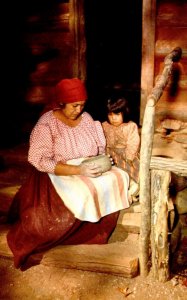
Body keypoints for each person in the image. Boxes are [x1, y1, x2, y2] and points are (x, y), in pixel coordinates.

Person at [7, 78, 130, 269]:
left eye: (82, 105)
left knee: (118, 177)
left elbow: (97, 149)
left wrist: (101, 162)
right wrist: (78, 170)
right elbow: (40, 159)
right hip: (58, 170)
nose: (78, 110)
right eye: (74, 105)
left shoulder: (87, 119)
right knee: (83, 191)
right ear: (61, 103)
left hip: (85, 165)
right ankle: (82, 228)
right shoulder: (47, 124)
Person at [102, 96, 140, 202]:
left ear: (125, 112)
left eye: (117, 114)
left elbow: (133, 142)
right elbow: (101, 140)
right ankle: (121, 191)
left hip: (126, 154)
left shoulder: (130, 126)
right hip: (110, 154)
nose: (113, 118)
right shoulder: (104, 125)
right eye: (110, 114)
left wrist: (129, 156)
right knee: (112, 174)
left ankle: (133, 188)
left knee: (131, 171)